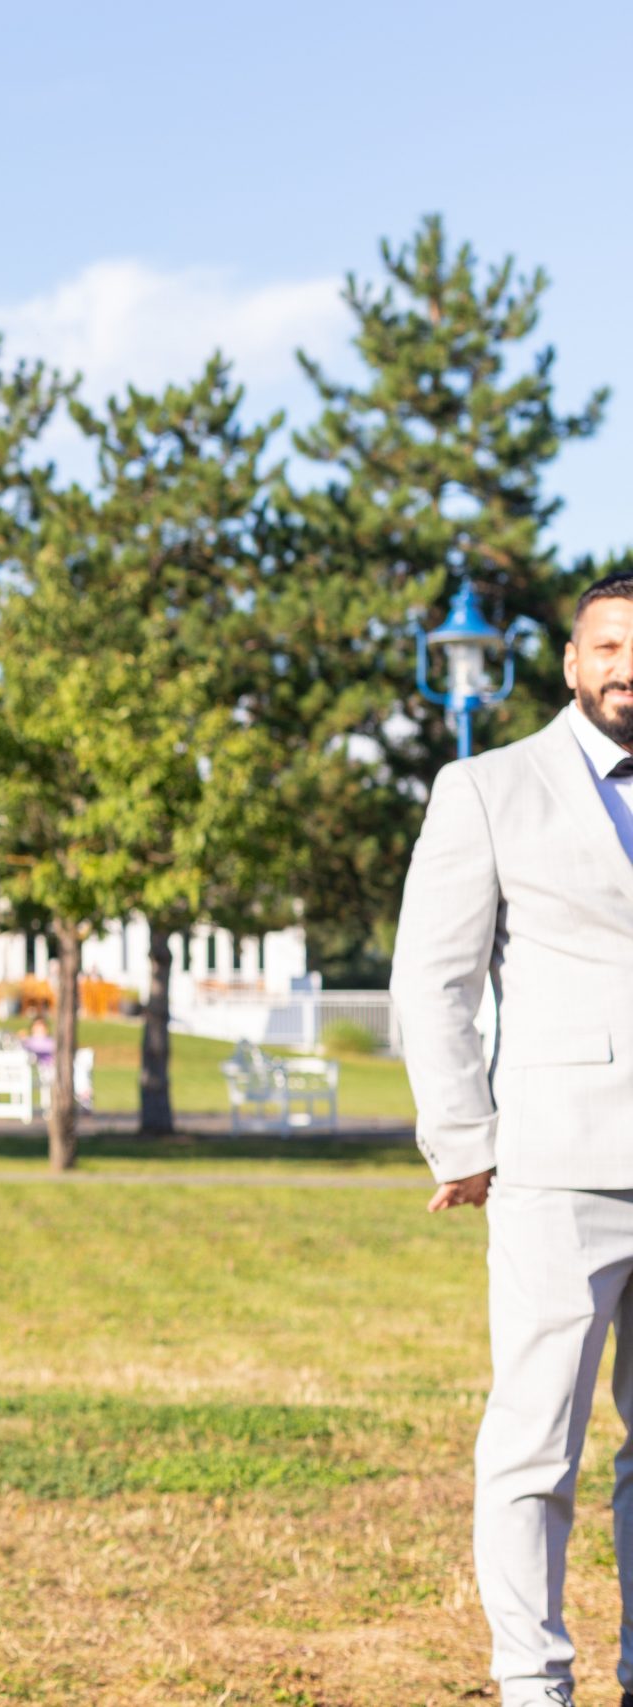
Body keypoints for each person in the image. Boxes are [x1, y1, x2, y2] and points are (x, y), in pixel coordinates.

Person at [392, 572, 633, 1707]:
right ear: (572, 663)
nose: (627, 668)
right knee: (536, 1443)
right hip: (557, 1164)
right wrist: (461, 1138)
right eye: (608, 646)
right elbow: (432, 978)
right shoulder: (487, 786)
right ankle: (533, 1680)